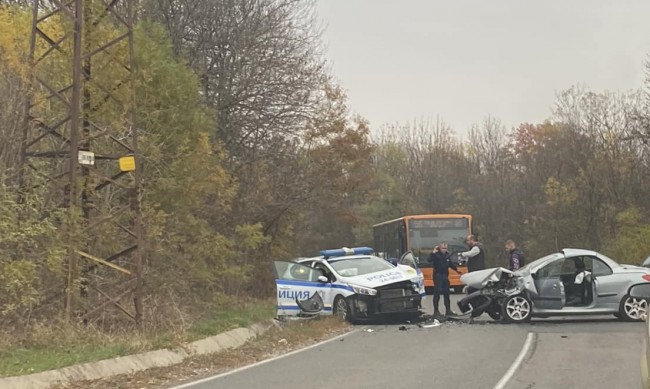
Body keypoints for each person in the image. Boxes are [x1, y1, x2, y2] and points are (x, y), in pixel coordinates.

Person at [429, 243, 459, 317]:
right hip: (438, 275)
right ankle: (436, 311)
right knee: (437, 293)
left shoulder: (447, 255)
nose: (444, 250)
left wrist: (457, 270)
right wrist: (433, 252)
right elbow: (429, 260)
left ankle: (448, 310)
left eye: (445, 248)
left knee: (447, 293)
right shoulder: (436, 255)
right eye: (443, 248)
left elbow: (450, 264)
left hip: (445, 275)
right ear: (439, 248)